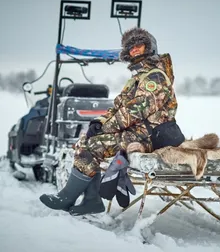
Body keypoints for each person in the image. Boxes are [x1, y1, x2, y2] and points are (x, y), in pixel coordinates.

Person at [39, 27, 185, 216]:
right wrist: (99, 122)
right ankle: (91, 200)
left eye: (139, 45)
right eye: (130, 48)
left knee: (96, 144)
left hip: (151, 136)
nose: (134, 50)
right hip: (137, 132)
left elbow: (136, 110)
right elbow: (118, 107)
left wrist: (105, 128)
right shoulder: (137, 78)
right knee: (86, 141)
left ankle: (68, 197)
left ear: (150, 47)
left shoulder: (155, 76)